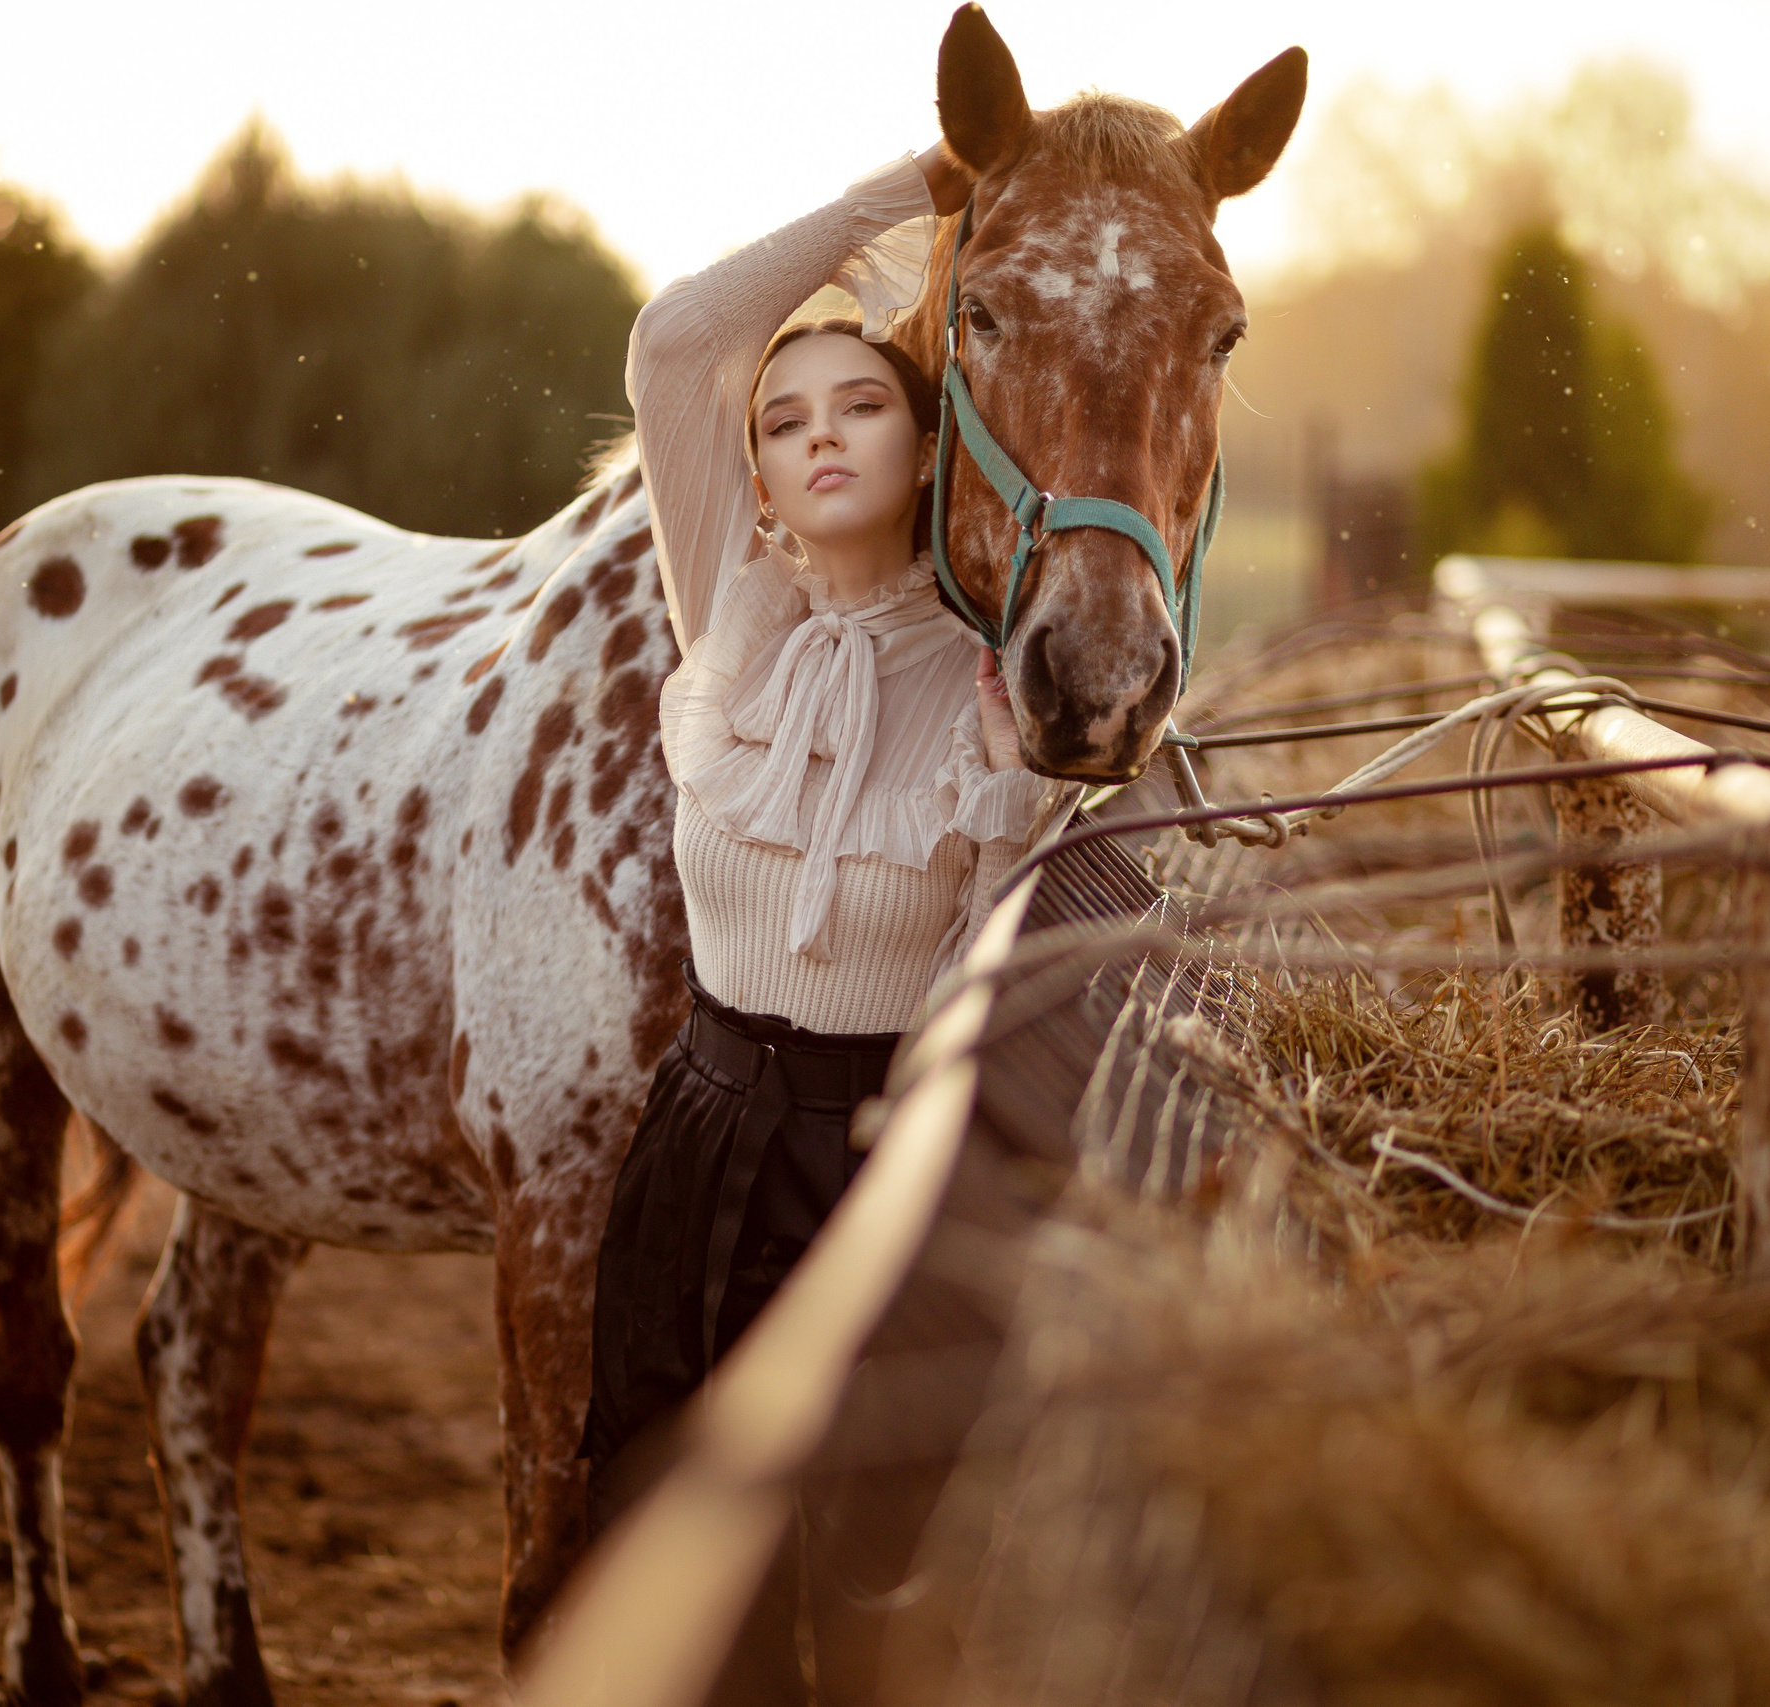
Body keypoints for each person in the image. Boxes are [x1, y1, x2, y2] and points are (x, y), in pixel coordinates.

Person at [582, 142, 1069, 1698]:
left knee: (849, 1586)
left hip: (878, 1153)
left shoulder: (994, 669)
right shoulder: (729, 608)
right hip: (698, 1132)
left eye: (861, 403)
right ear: (763, 477)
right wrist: (900, 199)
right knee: (670, 1563)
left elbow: (995, 944)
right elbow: (674, 343)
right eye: (784, 425)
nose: (818, 436)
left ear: (925, 449)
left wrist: (1009, 801)